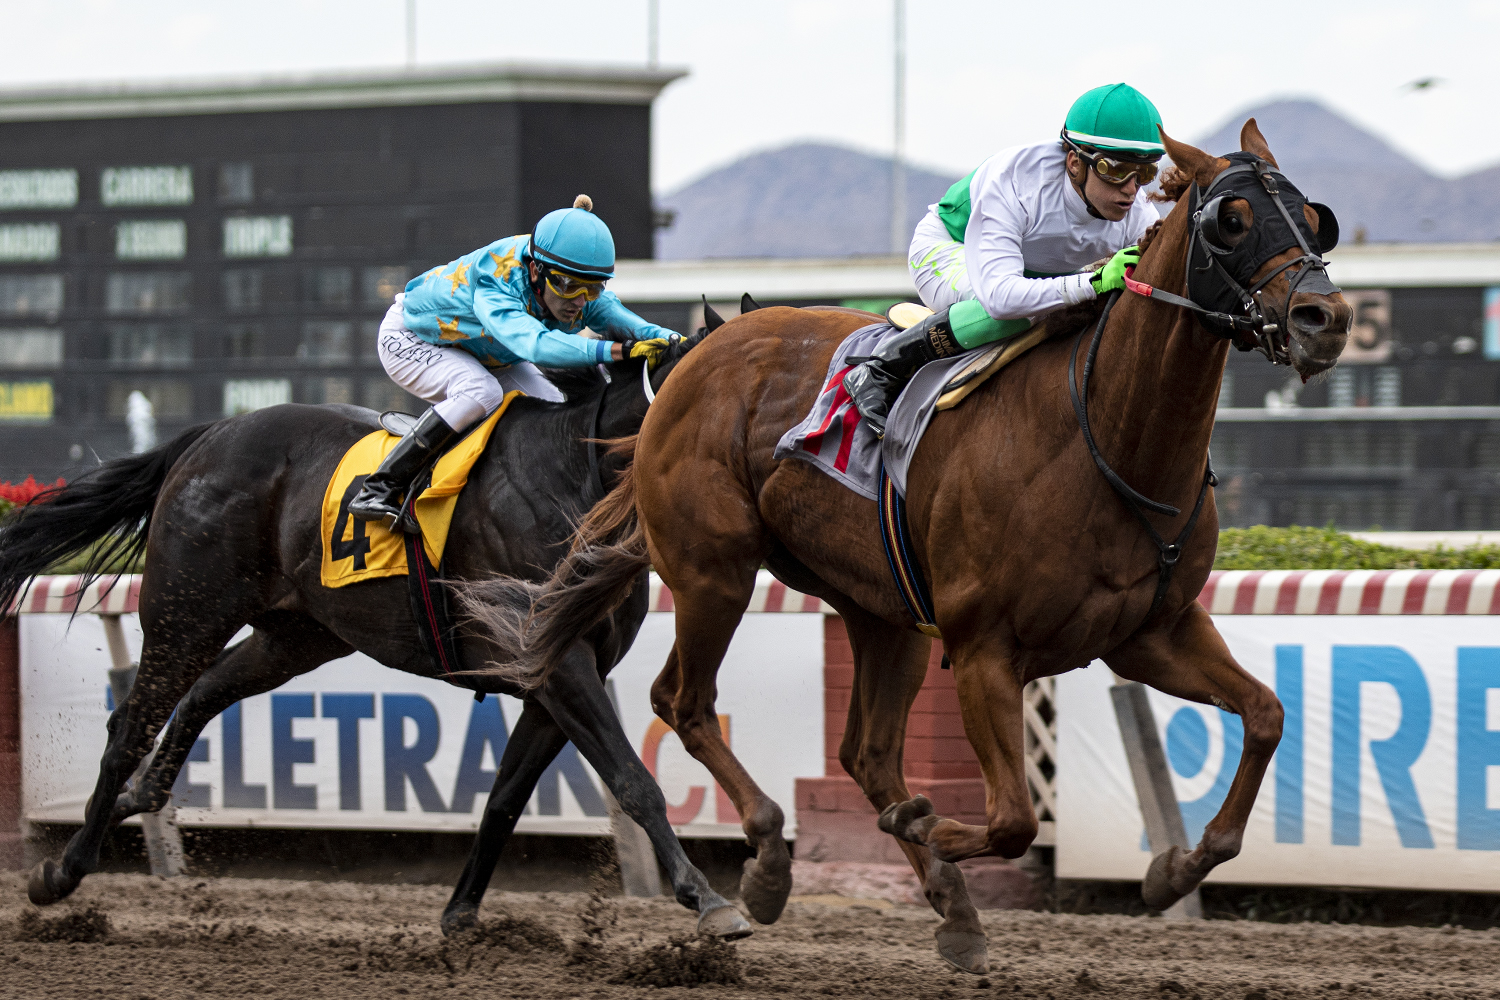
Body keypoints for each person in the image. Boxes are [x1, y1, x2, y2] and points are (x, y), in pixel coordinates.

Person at [844, 83, 1166, 436]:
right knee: (1028, 310)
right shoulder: (1015, 181)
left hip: (1030, 274)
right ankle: (882, 369)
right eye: (1116, 169)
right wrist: (1094, 281)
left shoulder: (1139, 213)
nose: (1131, 189)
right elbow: (1000, 297)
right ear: (1075, 163)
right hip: (948, 249)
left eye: (1145, 173)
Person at [348, 195, 678, 524]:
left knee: (553, 407)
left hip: (483, 352)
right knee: (481, 391)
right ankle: (380, 486)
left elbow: (633, 325)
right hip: (411, 337)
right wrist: (618, 351)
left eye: (592, 289)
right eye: (568, 286)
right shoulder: (497, 281)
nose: (579, 301)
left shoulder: (566, 275)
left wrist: (680, 343)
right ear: (536, 271)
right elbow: (535, 346)